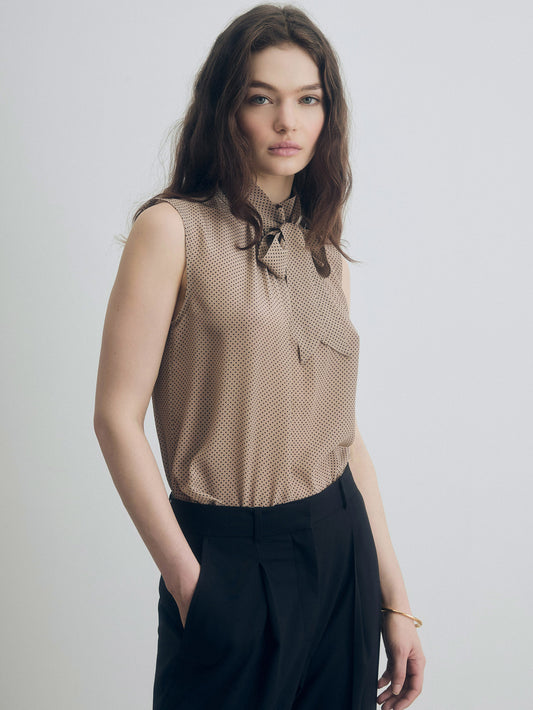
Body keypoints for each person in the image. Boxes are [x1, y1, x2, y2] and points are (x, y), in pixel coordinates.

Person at [93, 4, 425, 709]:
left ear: (328, 114)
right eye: (261, 98)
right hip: (229, 559)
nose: (287, 122)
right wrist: (191, 585)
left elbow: (343, 432)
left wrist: (395, 597)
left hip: (341, 547)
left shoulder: (321, 242)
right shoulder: (172, 230)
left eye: (308, 99)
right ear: (226, 108)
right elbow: (115, 418)